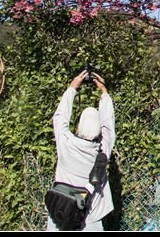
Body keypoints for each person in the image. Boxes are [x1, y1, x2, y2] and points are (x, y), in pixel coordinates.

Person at [47, 69, 115, 231]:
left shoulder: (66, 143)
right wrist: (104, 93)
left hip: (60, 213)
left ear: (78, 127)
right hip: (89, 218)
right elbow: (108, 125)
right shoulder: (103, 149)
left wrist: (72, 87)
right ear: (98, 130)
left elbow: (60, 118)